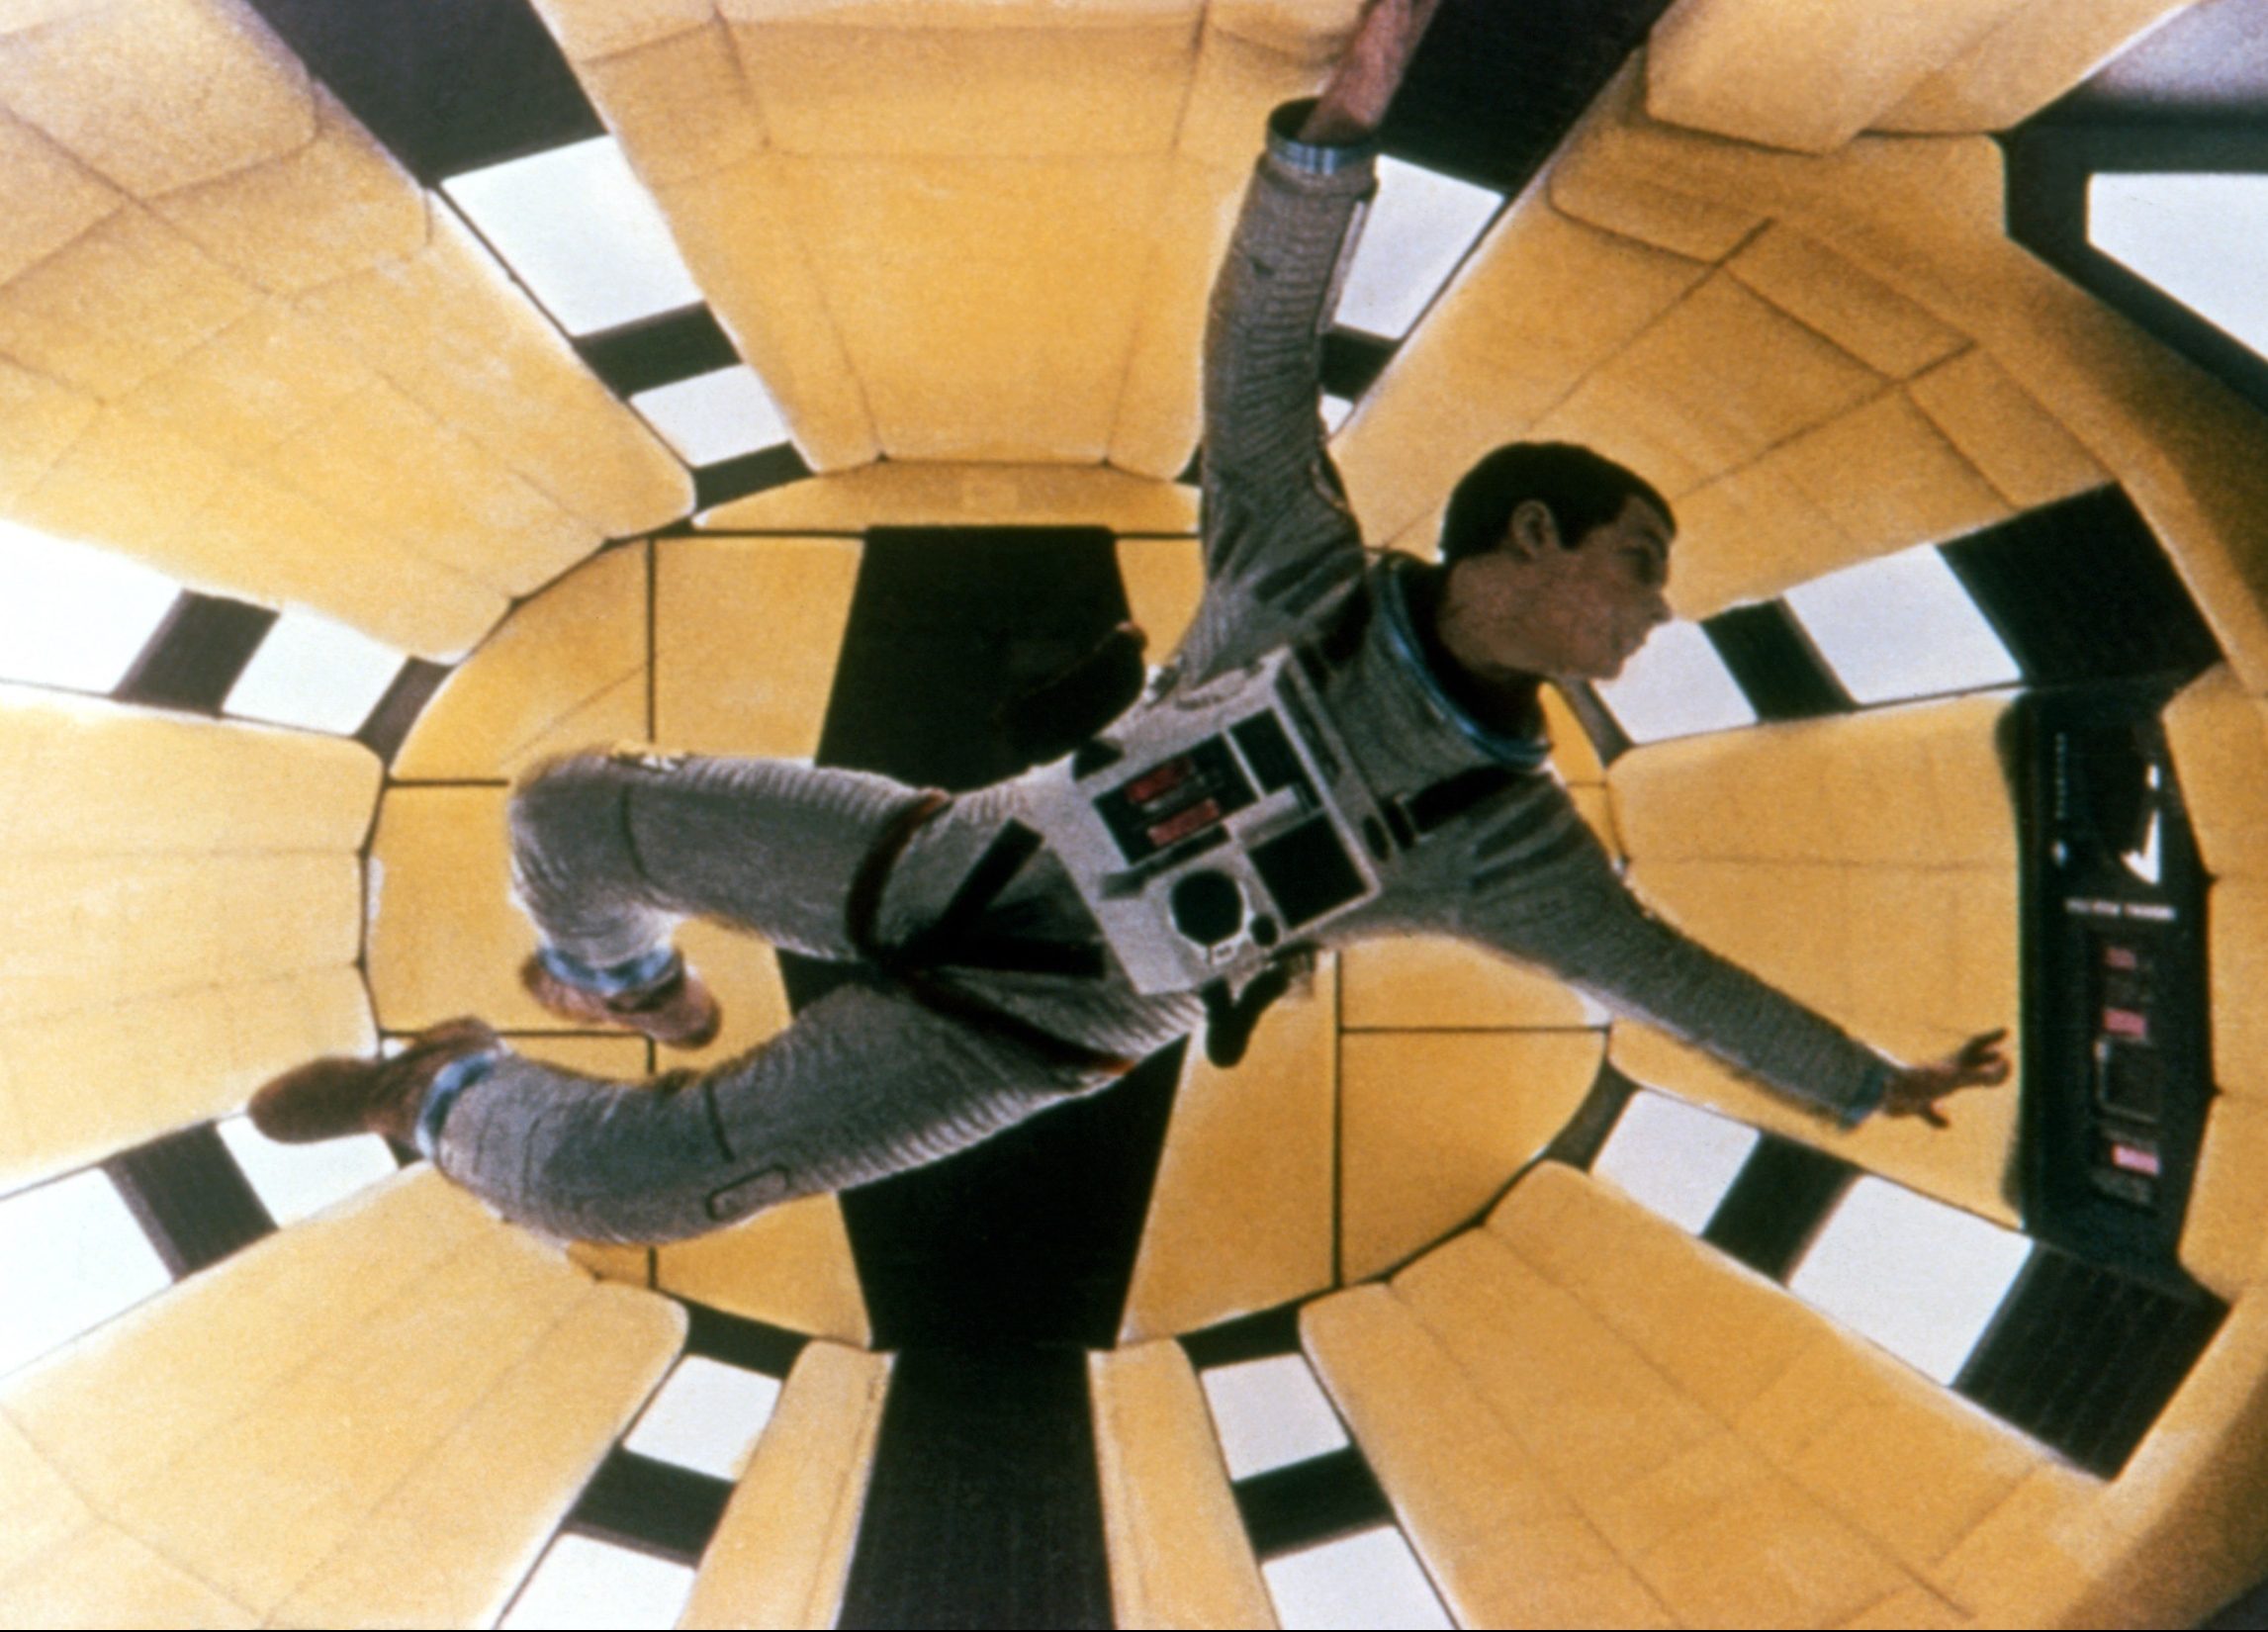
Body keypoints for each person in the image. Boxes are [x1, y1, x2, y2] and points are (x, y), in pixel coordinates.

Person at [249, 0, 2008, 1244]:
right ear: (1529, 534)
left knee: (627, 1191)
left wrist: (1864, 1084)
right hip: (938, 862)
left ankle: (440, 1092)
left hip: (1018, 1036)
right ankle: (624, 979)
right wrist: (1339, 128)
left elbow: (1671, 978)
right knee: (565, 810)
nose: (1652, 609)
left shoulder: (1510, 847)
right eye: (1636, 561)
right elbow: (1258, 359)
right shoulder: (1295, 573)